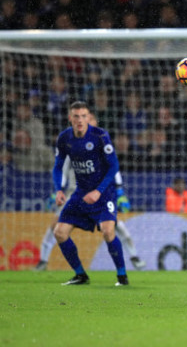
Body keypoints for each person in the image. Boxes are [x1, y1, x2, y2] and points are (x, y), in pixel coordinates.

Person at [52, 101, 129, 286]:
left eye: (83, 116)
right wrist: (59, 190)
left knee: (108, 231)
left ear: (89, 117)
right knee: (59, 232)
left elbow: (114, 166)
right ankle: (80, 275)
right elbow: (57, 166)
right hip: (81, 194)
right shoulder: (64, 138)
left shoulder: (100, 136)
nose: (80, 120)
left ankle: (122, 276)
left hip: (104, 193)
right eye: (76, 116)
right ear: (70, 118)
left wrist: (98, 191)